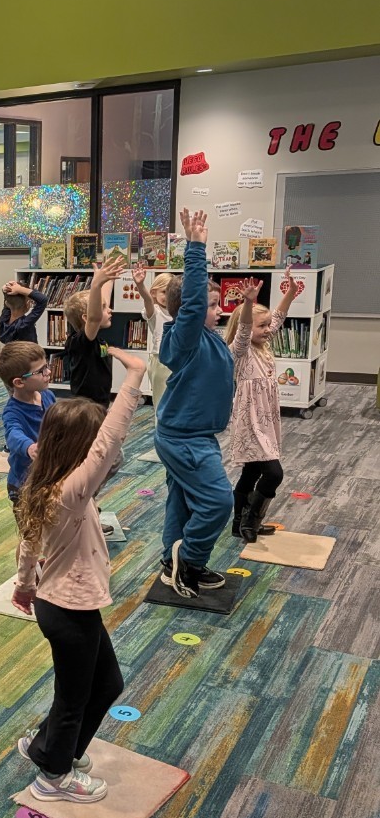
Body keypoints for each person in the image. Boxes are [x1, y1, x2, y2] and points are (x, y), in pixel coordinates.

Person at [11, 347, 147, 802]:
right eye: (95, 454)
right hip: (69, 612)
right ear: (80, 452)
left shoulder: (47, 483)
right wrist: (135, 378)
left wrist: (25, 587)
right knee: (73, 699)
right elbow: (110, 439)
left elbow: (27, 544)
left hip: (65, 606)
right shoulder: (70, 492)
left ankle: (43, 745)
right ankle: (52, 776)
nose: (106, 459)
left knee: (108, 685)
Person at [154, 208, 233, 600]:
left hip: (195, 433)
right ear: (193, 309)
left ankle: (171, 564)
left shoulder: (211, 338)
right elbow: (194, 297)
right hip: (184, 438)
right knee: (219, 501)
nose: (220, 311)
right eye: (213, 306)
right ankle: (191, 559)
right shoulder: (185, 338)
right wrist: (196, 247)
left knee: (182, 499)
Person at [224, 269, 301, 540]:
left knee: (252, 471)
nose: (268, 330)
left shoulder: (264, 345)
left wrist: (290, 294)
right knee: (273, 473)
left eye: (268, 325)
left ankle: (239, 524)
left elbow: (276, 318)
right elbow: (245, 329)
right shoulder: (240, 351)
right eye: (262, 326)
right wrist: (247, 303)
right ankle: (250, 521)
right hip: (250, 421)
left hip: (266, 419)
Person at [0, 341, 57, 516]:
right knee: (30, 537)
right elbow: (13, 434)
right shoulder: (12, 412)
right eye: (40, 371)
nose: (48, 372)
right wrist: (29, 446)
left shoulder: (47, 395)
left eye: (46, 366)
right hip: (24, 484)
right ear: (19, 382)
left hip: (49, 476)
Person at [62, 256, 127, 406]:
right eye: (104, 308)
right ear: (85, 317)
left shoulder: (92, 336)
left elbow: (102, 302)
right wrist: (96, 284)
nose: (110, 310)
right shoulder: (80, 341)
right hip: (86, 404)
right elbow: (95, 318)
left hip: (101, 399)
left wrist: (108, 276)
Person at [132, 269, 176, 420]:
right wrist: (140, 285)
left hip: (180, 359)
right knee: (162, 399)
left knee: (178, 400)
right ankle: (161, 429)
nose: (168, 296)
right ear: (154, 293)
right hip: (161, 362)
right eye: (164, 292)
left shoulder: (179, 310)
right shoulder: (155, 312)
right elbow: (147, 300)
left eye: (171, 292)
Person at [0, 280, 50, 346]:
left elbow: (8, 301)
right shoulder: (24, 324)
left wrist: (5, 290)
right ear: (28, 304)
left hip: (10, 355)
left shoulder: (3, 320)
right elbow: (43, 300)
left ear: (6, 303)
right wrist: (20, 289)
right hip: (29, 355)